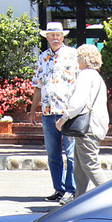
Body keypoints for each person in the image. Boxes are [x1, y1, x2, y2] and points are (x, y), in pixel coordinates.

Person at [29, 21, 78, 202]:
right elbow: (38, 85)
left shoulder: (73, 55)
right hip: (48, 112)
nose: (55, 38)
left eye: (58, 35)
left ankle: (71, 190)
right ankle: (58, 189)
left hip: (67, 112)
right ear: (47, 37)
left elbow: (80, 83)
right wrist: (33, 109)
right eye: (52, 35)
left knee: (71, 154)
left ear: (63, 37)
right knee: (53, 154)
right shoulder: (43, 57)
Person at [56, 44, 109, 195]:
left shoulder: (85, 75)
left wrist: (64, 118)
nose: (76, 61)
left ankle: (111, 196)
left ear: (84, 59)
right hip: (95, 126)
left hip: (88, 128)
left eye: (78, 58)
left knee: (90, 164)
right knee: (80, 166)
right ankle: (79, 200)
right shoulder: (97, 77)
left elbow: (78, 102)